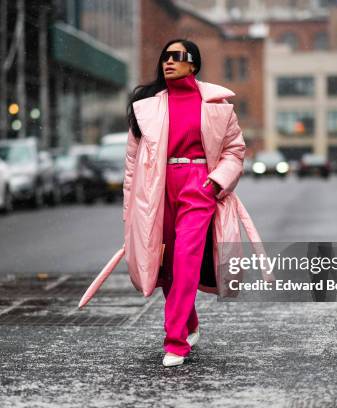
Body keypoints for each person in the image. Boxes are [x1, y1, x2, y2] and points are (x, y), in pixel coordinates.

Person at [123, 38, 261, 367]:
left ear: (193, 65)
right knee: (166, 264)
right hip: (157, 190)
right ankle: (190, 321)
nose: (168, 62)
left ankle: (175, 341)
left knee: (185, 256)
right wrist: (130, 208)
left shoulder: (217, 106)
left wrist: (214, 184)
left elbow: (235, 151)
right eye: (165, 56)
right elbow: (131, 163)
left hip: (199, 187)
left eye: (177, 57)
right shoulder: (147, 105)